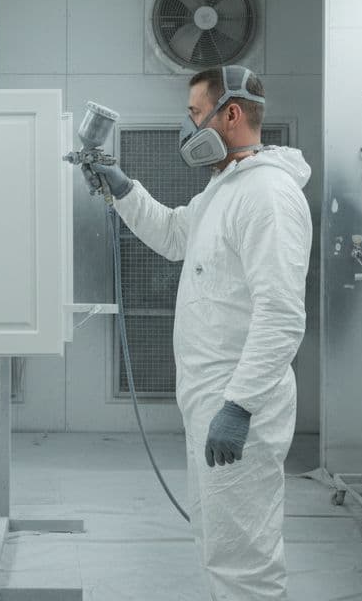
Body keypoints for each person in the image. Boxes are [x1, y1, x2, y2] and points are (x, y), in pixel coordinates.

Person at [85, 65, 312, 600]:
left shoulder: (268, 197)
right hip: (212, 397)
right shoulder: (226, 187)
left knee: (243, 558)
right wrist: (122, 188)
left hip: (240, 403)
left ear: (229, 114)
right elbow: (174, 235)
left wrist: (240, 406)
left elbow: (281, 315)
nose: (187, 130)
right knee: (218, 541)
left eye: (193, 115)